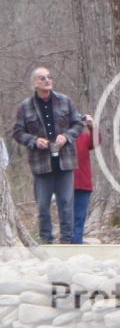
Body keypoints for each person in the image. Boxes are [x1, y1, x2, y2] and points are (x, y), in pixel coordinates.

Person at [12, 67, 83, 243]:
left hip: (65, 161)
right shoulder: (25, 106)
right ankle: (46, 241)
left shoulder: (65, 101)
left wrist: (66, 136)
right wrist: (34, 140)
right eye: (42, 78)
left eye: (49, 77)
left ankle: (67, 241)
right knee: (43, 205)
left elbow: (78, 124)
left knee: (66, 203)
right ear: (35, 83)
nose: (47, 80)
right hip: (40, 163)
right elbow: (17, 132)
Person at [72, 114, 99, 244]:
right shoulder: (61, 138)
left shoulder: (84, 137)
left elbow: (96, 141)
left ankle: (77, 242)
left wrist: (91, 125)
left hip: (83, 183)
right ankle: (67, 241)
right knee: (66, 216)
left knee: (80, 216)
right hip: (65, 184)